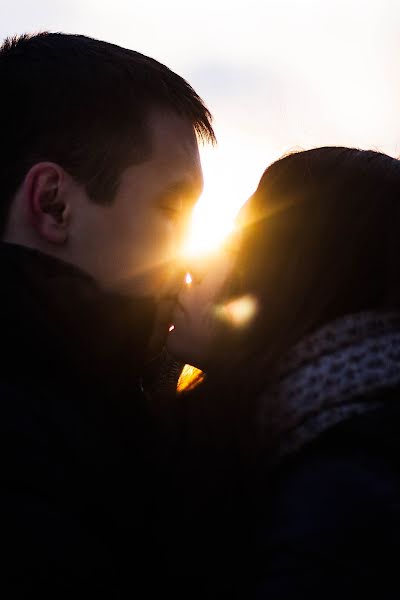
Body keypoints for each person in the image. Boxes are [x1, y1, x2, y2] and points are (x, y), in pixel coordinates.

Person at [0, 31, 215, 593]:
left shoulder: (88, 400)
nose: (190, 258)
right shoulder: (31, 442)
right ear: (53, 204)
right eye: (171, 209)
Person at [167, 147, 400, 597]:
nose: (194, 264)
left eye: (234, 246)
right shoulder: (314, 434)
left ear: (292, 275)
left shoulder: (345, 497)